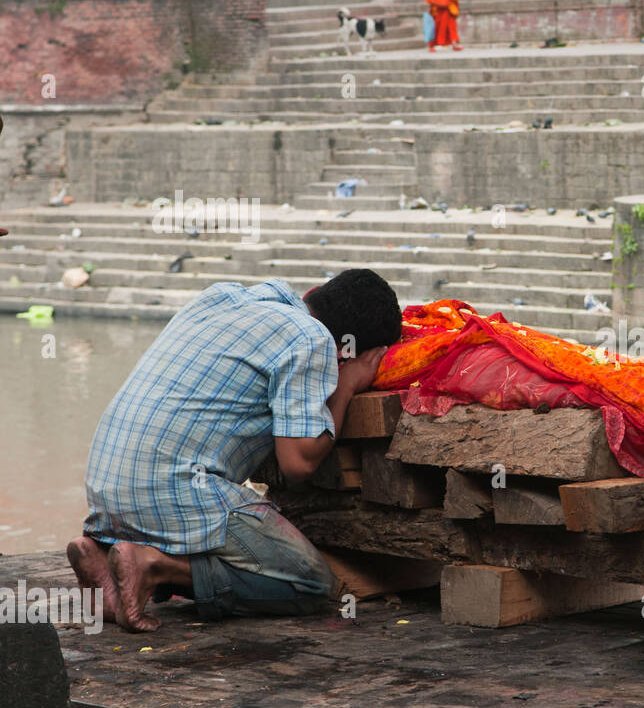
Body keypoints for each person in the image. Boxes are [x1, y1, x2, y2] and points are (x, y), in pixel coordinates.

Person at [66, 270, 402, 633]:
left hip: (106, 488)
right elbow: (298, 463)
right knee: (310, 583)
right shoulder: (311, 338)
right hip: (171, 492)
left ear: (314, 292)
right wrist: (348, 384)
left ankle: (101, 553)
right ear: (346, 350)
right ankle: (155, 566)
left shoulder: (221, 296)